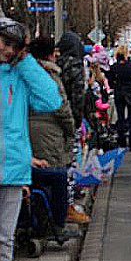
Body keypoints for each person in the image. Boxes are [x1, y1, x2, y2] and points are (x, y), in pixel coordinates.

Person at [0, 19, 62, 261]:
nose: (6, 50)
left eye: (14, 47)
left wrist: (25, 64)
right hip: (12, 165)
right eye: (4, 42)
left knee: (4, 241)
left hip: (11, 170)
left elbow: (51, 100)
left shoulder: (19, 74)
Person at [28, 37, 89, 230]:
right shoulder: (50, 76)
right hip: (51, 133)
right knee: (56, 175)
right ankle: (56, 220)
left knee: (38, 179)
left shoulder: (26, 74)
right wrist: (72, 128)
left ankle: (40, 219)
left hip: (28, 133)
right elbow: (62, 107)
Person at [107, 46, 131, 151]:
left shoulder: (114, 67)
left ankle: (122, 140)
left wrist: (116, 86)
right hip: (130, 92)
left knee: (121, 116)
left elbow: (110, 81)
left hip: (119, 92)